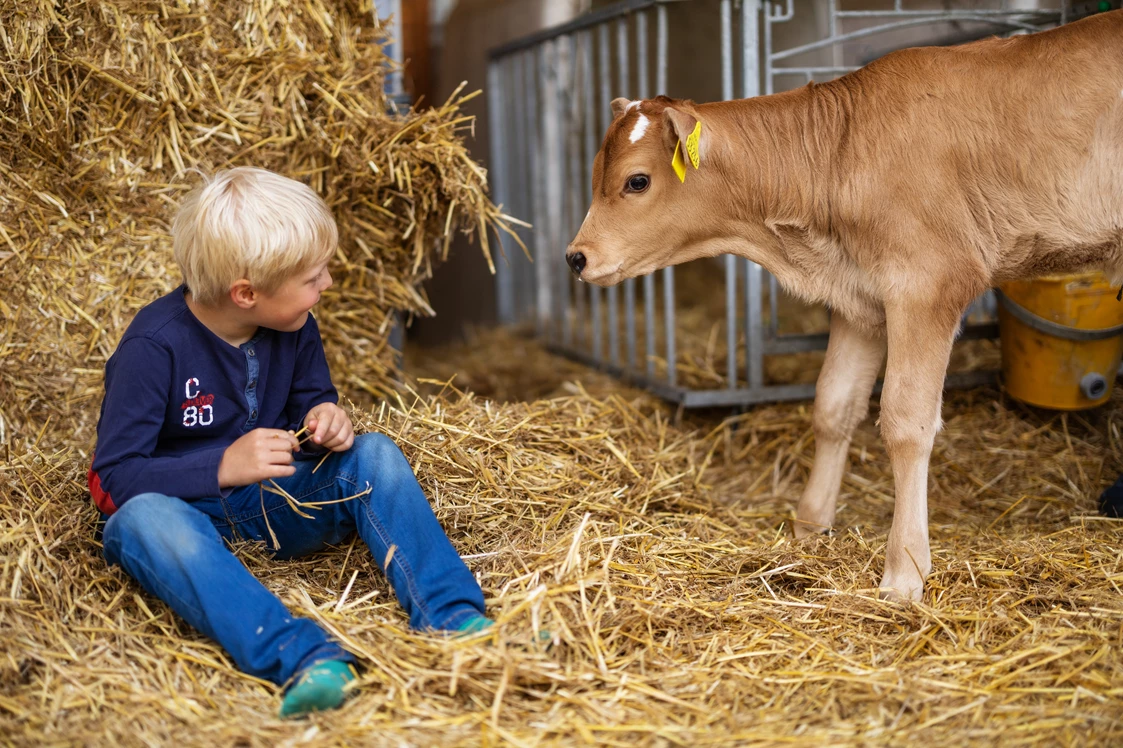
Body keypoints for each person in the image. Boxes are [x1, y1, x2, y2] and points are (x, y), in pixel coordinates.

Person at [89, 167, 492, 718]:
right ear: (247, 293)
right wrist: (222, 466)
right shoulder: (153, 348)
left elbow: (313, 399)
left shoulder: (294, 323)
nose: (326, 284)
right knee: (139, 522)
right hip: (184, 516)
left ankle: (453, 619)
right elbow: (113, 480)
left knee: (373, 453)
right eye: (313, 277)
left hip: (275, 503)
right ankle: (303, 659)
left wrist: (326, 419)